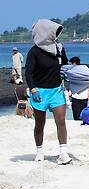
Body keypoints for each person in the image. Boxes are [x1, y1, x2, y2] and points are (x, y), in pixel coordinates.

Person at [25, 19, 72, 165]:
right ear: (44, 32)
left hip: (56, 90)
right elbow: (28, 72)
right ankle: (39, 151)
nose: (56, 35)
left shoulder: (59, 49)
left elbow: (65, 64)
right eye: (54, 32)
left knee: (61, 121)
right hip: (39, 91)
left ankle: (63, 153)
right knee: (40, 123)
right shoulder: (34, 52)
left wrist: (69, 77)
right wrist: (33, 90)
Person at [67, 56, 89, 121]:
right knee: (83, 114)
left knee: (76, 116)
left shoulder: (72, 71)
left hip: (76, 96)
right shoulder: (85, 70)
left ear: (74, 63)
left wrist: (69, 91)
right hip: (84, 96)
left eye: (71, 64)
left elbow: (70, 82)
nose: (70, 65)